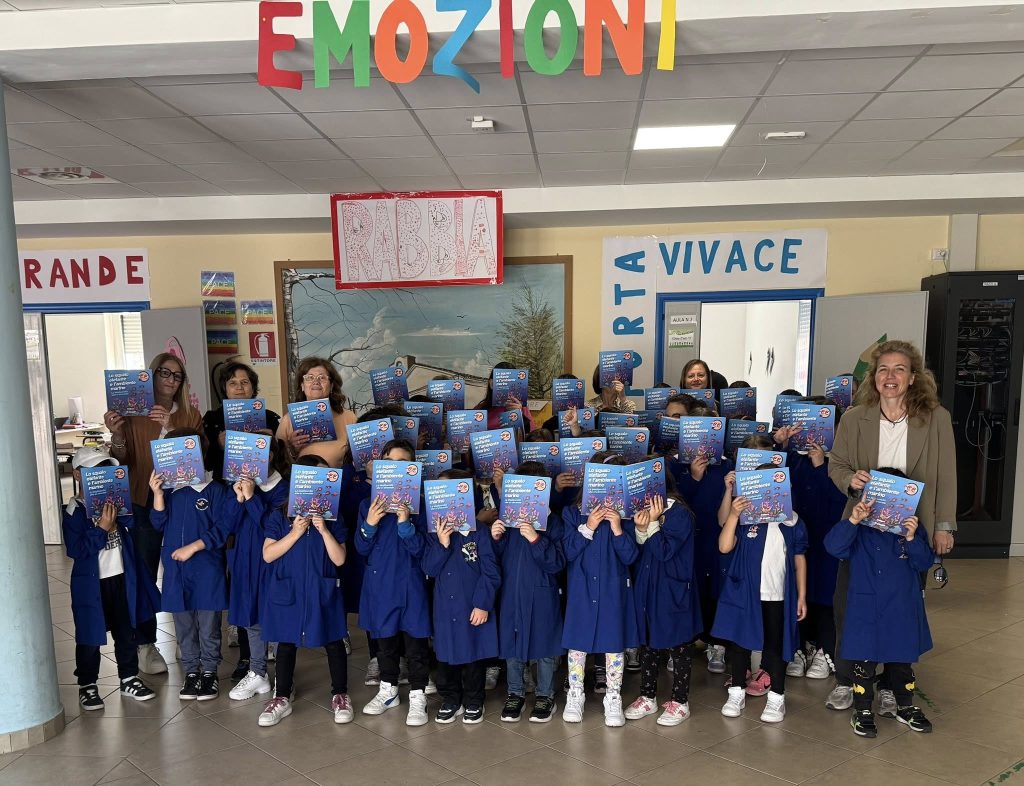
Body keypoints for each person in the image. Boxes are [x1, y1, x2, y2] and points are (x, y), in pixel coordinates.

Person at [826, 340, 956, 714]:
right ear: (874, 377)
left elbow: (946, 475)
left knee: (902, 609)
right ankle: (847, 680)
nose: (890, 376)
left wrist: (944, 526)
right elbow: (837, 465)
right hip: (863, 526)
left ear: (913, 377)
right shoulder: (855, 418)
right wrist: (851, 480)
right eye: (883, 369)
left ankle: (889, 684)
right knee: (850, 606)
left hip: (912, 527)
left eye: (899, 369)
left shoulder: (936, 418)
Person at [105, 351, 203, 675]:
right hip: (143, 501)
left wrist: (171, 426)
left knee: (184, 568)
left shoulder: (190, 414)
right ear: (152, 375)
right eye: (165, 373)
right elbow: (122, 461)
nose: (171, 380)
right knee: (145, 572)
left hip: (182, 502)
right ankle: (145, 643)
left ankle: (187, 638)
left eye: (177, 375)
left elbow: (199, 457)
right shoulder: (133, 414)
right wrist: (117, 434)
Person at [825, 486, 934, 737]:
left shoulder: (911, 530)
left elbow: (924, 562)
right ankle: (862, 709)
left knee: (901, 660)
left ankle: (905, 705)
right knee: (864, 660)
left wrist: (911, 538)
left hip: (901, 606)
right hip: (866, 606)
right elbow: (833, 546)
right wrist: (853, 520)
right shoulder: (859, 529)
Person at [64, 447, 159, 710]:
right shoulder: (74, 512)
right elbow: (76, 549)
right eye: (94, 472)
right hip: (92, 585)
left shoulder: (116, 504)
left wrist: (122, 515)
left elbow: (137, 523)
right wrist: (102, 529)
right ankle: (87, 684)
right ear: (78, 475)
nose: (101, 476)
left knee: (126, 630)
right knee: (89, 634)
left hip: (121, 578)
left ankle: (129, 677)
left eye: (105, 470)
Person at [148, 429, 235, 702]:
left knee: (209, 626)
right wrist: (157, 494)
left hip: (207, 568)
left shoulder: (216, 490)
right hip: (176, 571)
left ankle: (209, 671)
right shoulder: (171, 492)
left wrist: (195, 546)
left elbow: (223, 529)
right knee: (184, 626)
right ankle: (191, 672)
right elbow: (157, 524)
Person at [713, 487, 808, 723]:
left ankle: (777, 697)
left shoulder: (792, 521)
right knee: (740, 644)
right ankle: (736, 692)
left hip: (777, 596)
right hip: (745, 594)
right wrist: (734, 514)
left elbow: (799, 559)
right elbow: (724, 546)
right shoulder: (747, 518)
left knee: (775, 646)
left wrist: (802, 596)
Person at [356, 440, 433, 726]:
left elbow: (424, 551)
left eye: (403, 464)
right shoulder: (368, 504)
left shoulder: (422, 506)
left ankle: (418, 694)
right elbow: (361, 548)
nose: (395, 469)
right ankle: (388, 689)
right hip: (380, 584)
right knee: (384, 642)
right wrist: (370, 523)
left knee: (415, 643)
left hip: (411, 583)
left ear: (413, 469)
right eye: (389, 463)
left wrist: (405, 523)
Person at [561, 452, 639, 727]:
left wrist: (617, 528)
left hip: (612, 590)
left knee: (613, 642)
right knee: (578, 643)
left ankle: (613, 696)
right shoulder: (572, 513)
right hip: (582, 589)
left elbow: (631, 557)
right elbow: (567, 552)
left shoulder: (626, 517)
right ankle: (575, 694)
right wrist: (589, 526)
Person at [257, 506, 352, 727]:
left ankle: (340, 695)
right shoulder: (279, 515)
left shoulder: (333, 516)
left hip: (322, 590)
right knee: (286, 641)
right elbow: (268, 555)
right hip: (290, 589)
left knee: (333, 640)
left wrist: (324, 530)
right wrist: (295, 532)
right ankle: (282, 696)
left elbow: (339, 559)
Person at [424, 469, 501, 725]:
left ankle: (474, 700)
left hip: (472, 606)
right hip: (446, 608)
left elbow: (491, 572)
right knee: (446, 657)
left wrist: (482, 604)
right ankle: (450, 699)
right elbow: (429, 568)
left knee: (474, 656)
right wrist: (443, 543)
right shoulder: (434, 533)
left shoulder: (479, 532)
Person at [624, 476, 702, 727]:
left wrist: (653, 523)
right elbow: (637, 553)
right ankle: (648, 696)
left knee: (678, 646)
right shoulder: (642, 511)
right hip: (647, 588)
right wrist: (640, 529)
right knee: (648, 644)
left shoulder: (680, 514)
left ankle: (680, 701)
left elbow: (664, 551)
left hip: (672, 589)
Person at [491, 461, 566, 724]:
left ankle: (545, 695)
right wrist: (496, 537)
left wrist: (536, 539)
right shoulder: (508, 521)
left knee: (545, 646)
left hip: (542, 592)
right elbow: (496, 559)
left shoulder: (553, 522)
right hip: (511, 591)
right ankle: (515, 693)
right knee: (512, 644)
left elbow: (557, 562)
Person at [226, 442, 289, 701]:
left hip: (272, 561)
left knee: (275, 616)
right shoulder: (241, 486)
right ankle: (257, 671)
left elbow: (272, 526)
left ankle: (284, 678)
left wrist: (252, 498)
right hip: (245, 561)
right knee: (250, 617)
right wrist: (239, 498)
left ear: (270, 455)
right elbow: (228, 526)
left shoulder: (284, 488)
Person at [202, 361, 282, 481]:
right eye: (232, 383)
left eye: (244, 382)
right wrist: (218, 445)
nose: (239, 387)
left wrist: (273, 443)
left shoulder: (270, 418)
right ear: (225, 388)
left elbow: (282, 461)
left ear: (253, 387)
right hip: (224, 485)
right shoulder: (211, 419)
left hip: (262, 483)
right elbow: (204, 464)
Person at [276, 357, 357, 467]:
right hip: (303, 477)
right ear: (302, 385)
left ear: (331, 386)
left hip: (339, 477)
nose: (316, 382)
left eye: (322, 378)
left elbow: (358, 458)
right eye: (309, 378)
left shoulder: (349, 417)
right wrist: (292, 449)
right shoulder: (288, 419)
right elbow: (276, 461)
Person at [475, 362, 535, 432]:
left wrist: (519, 415)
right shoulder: (481, 408)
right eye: (502, 382)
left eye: (511, 382)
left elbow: (531, 434)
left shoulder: (522, 407)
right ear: (491, 384)